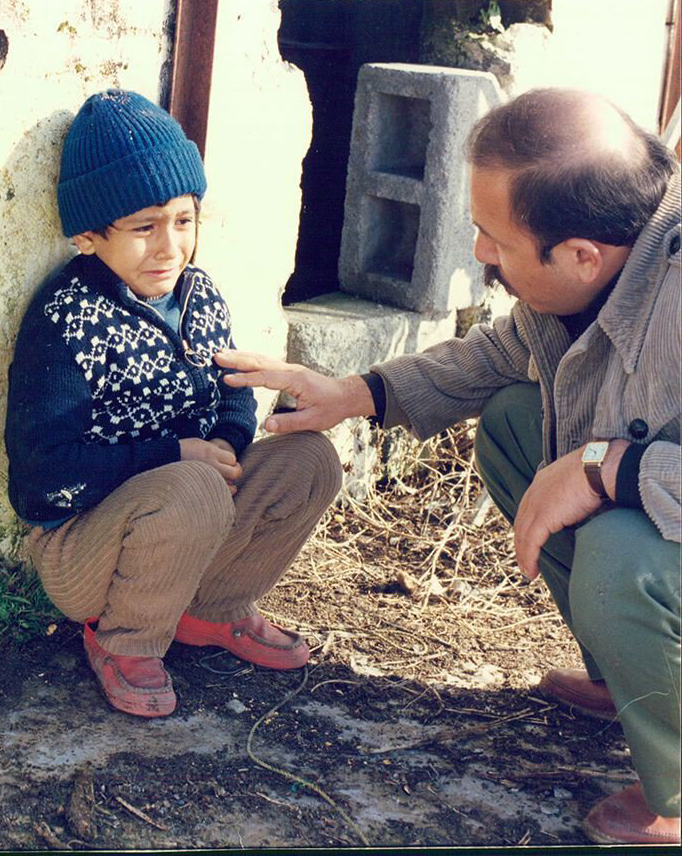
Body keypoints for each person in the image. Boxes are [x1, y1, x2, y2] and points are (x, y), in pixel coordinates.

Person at [218, 88, 679, 845]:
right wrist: (355, 394)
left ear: (581, 255)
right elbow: (500, 355)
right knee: (512, 423)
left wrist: (608, 469)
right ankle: (635, 684)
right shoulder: (598, 262)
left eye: (493, 237)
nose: (478, 254)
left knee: (619, 558)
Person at [4, 90, 341, 718]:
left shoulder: (198, 295)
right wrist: (177, 454)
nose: (168, 248)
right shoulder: (66, 319)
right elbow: (40, 475)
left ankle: (208, 611)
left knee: (311, 459)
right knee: (193, 487)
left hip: (189, 521)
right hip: (88, 553)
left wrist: (229, 447)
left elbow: (231, 393)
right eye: (143, 228)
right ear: (87, 236)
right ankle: (124, 641)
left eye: (182, 221)